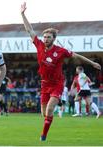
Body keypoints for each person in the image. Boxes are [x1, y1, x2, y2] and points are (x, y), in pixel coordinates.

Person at [20, 2, 101, 141]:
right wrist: (22, 14)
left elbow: (77, 55)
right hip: (44, 84)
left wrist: (92, 62)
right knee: (44, 114)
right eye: (44, 37)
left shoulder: (61, 51)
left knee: (50, 109)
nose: (45, 39)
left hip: (57, 83)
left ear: (54, 39)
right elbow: (29, 30)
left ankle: (43, 136)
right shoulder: (39, 45)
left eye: (48, 37)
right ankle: (47, 125)